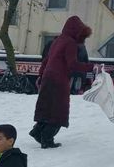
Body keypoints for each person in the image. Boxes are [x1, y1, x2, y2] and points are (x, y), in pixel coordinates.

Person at [30, 16, 94, 148]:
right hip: (59, 80)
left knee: (47, 108)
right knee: (58, 111)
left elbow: (46, 60)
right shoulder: (70, 43)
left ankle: (37, 131)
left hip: (48, 78)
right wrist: (90, 67)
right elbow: (72, 65)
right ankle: (47, 139)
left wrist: (41, 75)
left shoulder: (57, 40)